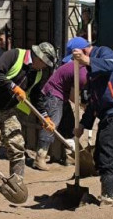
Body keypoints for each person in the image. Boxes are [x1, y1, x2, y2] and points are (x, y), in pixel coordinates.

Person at [0, 42, 58, 195]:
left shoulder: (38, 73)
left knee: (17, 143)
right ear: (38, 57)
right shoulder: (14, 55)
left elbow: (36, 98)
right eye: (44, 63)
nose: (43, 67)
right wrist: (13, 86)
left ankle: (17, 185)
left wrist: (45, 117)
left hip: (8, 109)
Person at [73, 46, 113, 205]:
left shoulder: (104, 53)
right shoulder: (92, 77)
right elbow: (92, 105)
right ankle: (106, 192)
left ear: (84, 51)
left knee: (108, 155)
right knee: (99, 156)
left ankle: (109, 197)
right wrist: (82, 126)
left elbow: (110, 64)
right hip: (107, 116)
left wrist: (87, 60)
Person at [34, 37, 90, 171]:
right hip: (53, 95)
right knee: (51, 124)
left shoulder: (80, 67)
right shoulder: (80, 71)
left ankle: (70, 156)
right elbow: (73, 95)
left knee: (69, 124)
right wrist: (84, 106)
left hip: (61, 95)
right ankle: (40, 157)